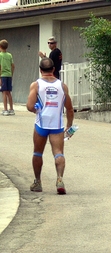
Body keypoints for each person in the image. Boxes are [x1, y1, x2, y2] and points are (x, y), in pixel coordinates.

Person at [26, 57, 74, 194]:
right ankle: (59, 179)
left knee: (37, 152)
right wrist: (69, 126)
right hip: (57, 125)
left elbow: (29, 106)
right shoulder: (62, 86)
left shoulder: (36, 85)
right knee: (58, 153)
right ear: (53, 69)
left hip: (41, 123)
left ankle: (38, 182)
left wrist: (36, 109)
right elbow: (70, 109)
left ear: (40, 70)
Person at [0, 39, 15, 116]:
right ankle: (11, 109)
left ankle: (5, 109)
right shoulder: (9, 55)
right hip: (9, 75)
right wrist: (11, 74)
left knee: (4, 92)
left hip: (3, 75)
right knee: (9, 92)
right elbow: (13, 66)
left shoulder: (0, 55)